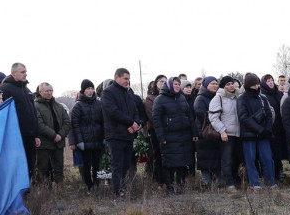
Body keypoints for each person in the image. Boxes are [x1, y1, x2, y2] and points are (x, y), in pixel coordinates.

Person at [101, 67, 146, 197]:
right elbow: (113, 112)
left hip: (129, 134)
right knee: (117, 164)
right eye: (125, 78)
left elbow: (135, 110)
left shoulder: (127, 93)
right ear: (117, 78)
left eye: (129, 79)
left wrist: (136, 124)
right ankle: (117, 191)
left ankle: (124, 188)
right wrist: (130, 123)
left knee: (126, 164)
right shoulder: (108, 93)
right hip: (115, 135)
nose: (127, 81)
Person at [152, 77, 198, 194]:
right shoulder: (160, 99)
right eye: (175, 84)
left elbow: (190, 117)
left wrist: (194, 132)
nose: (177, 86)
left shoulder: (182, 98)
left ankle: (181, 186)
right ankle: (170, 187)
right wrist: (161, 137)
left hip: (184, 137)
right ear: (168, 85)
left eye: (178, 84)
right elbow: (156, 120)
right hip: (169, 137)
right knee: (169, 164)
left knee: (182, 163)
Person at [0, 63, 41, 182]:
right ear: (13, 73)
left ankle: (28, 192)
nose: (25, 74)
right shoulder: (5, 89)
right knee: (17, 165)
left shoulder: (27, 90)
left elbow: (33, 113)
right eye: (22, 72)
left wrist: (36, 134)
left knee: (30, 164)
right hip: (16, 136)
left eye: (26, 71)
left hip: (30, 135)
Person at [237, 73, 278, 190]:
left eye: (257, 84)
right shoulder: (242, 99)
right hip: (248, 135)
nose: (256, 86)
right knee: (250, 160)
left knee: (267, 159)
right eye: (253, 85)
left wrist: (268, 130)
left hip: (264, 135)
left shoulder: (263, 98)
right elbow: (243, 117)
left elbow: (269, 115)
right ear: (248, 86)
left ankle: (271, 182)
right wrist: (260, 130)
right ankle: (255, 184)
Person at [70, 79, 105, 192]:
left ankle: (97, 183)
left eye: (91, 88)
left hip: (98, 139)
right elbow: (74, 124)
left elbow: (104, 122)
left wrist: (104, 138)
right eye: (87, 89)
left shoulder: (99, 104)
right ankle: (89, 185)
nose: (90, 91)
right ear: (83, 91)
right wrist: (79, 141)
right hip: (84, 141)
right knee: (86, 165)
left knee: (97, 164)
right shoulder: (78, 106)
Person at [208, 75, 242, 191]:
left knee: (237, 158)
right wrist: (222, 131)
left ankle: (237, 180)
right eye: (228, 84)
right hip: (226, 134)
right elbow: (213, 117)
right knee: (227, 159)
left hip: (238, 133)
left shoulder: (237, 97)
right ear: (223, 86)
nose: (231, 86)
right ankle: (229, 184)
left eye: (232, 83)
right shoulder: (218, 98)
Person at [34, 82, 70, 185]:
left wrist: (60, 135)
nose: (49, 93)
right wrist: (53, 135)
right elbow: (39, 124)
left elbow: (67, 122)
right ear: (40, 92)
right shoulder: (35, 105)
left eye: (51, 91)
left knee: (59, 168)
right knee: (42, 169)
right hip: (44, 144)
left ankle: (60, 191)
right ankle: (42, 192)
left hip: (58, 143)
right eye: (46, 91)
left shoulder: (58, 106)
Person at [194, 77, 222, 188]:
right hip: (204, 133)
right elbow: (201, 115)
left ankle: (219, 181)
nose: (215, 85)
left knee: (216, 157)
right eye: (212, 83)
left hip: (215, 132)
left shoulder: (217, 97)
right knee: (205, 159)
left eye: (216, 83)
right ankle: (207, 182)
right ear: (206, 85)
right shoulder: (200, 99)